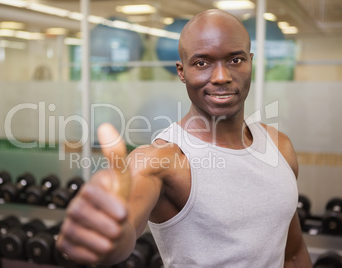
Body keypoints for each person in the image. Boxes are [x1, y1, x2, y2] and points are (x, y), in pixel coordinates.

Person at [56, 9, 312, 267]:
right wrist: (108, 236)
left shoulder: (279, 147)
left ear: (250, 62)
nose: (221, 77)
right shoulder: (160, 160)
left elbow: (293, 252)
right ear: (181, 71)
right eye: (202, 63)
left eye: (235, 60)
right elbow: (124, 235)